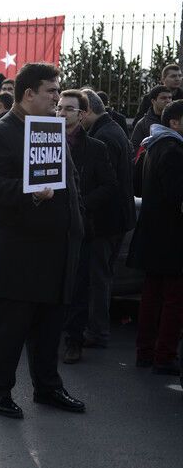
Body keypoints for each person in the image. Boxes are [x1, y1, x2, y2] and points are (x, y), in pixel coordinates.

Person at [0, 62, 86, 419]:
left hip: (56, 247)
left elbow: (68, 184)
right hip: (17, 249)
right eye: (52, 91)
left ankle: (48, 387)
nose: (58, 98)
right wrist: (32, 193)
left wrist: (76, 224)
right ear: (28, 94)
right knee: (9, 327)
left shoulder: (52, 130)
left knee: (49, 325)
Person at [56, 90, 118, 364]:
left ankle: (73, 341)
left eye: (68, 109)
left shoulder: (96, 147)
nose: (61, 113)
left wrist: (79, 203)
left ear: (81, 115)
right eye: (58, 108)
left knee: (78, 288)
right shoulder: (44, 143)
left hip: (81, 228)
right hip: (50, 229)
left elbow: (109, 186)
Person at [76, 89, 136, 354]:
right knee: (102, 276)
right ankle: (97, 329)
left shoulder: (103, 137)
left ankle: (97, 331)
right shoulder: (113, 129)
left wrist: (81, 205)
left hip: (105, 221)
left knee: (97, 278)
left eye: (78, 112)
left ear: (87, 111)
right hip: (116, 219)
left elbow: (105, 185)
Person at [127, 99, 183, 375]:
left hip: (153, 236)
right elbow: (177, 196)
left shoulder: (152, 146)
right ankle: (164, 356)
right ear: (175, 122)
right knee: (172, 300)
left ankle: (145, 352)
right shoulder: (173, 150)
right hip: (171, 239)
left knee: (151, 297)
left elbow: (137, 186)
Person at [131, 85, 172, 151]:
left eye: (170, 98)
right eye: (163, 98)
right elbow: (134, 149)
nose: (168, 101)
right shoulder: (143, 124)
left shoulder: (176, 120)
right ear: (153, 101)